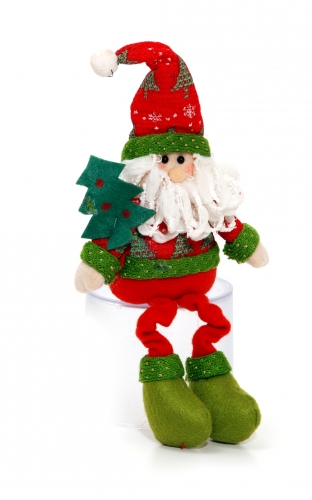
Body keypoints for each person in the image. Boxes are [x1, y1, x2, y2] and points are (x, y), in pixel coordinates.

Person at [75, 42, 268, 448]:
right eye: (165, 160)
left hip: (197, 286)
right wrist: (95, 266)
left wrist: (247, 246)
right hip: (139, 291)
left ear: (199, 164)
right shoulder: (131, 203)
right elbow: (110, 238)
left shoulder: (205, 202)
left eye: (183, 160)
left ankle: (213, 378)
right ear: (145, 166)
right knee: (154, 334)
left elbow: (228, 225)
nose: (175, 170)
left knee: (206, 330)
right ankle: (164, 386)